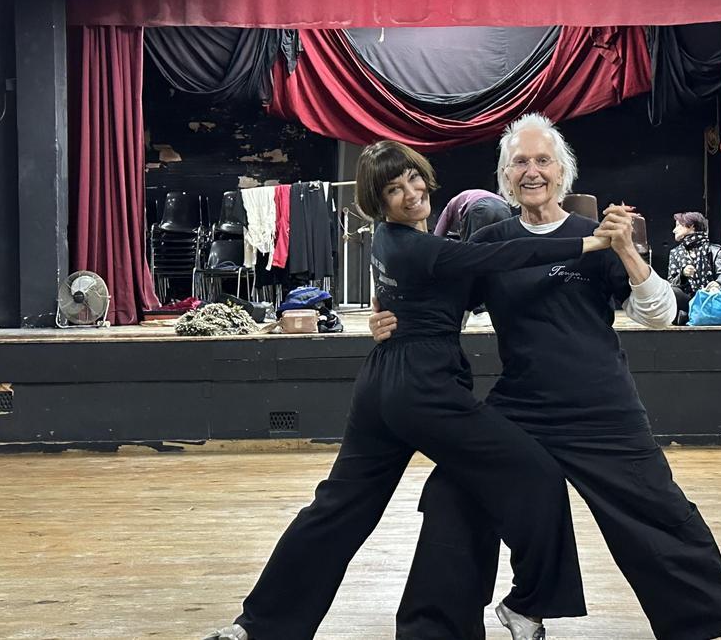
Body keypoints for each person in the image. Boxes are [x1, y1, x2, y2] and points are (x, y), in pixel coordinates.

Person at [370, 114, 721, 640]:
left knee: (659, 512)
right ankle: (436, 629)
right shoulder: (491, 244)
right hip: (521, 406)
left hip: (600, 406)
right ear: (506, 175)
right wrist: (388, 320)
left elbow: (658, 314)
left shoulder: (596, 235)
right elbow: (437, 301)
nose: (532, 171)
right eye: (521, 161)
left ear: (562, 172)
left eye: (543, 160)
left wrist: (627, 249)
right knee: (454, 493)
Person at [203, 140, 616, 640]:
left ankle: (258, 626)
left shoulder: (392, 241)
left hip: (382, 385)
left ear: (424, 176)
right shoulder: (422, 247)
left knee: (338, 509)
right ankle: (528, 603)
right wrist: (592, 242)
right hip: (424, 388)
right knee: (537, 474)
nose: (409, 193)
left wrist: (385, 315)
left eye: (412, 180)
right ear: (379, 203)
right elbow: (509, 254)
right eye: (393, 190)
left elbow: (434, 283)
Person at [667, 211, 721, 325]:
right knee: (673, 292)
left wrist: (717, 284)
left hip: (714, 298)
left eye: (678, 225)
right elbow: (671, 283)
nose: (674, 230)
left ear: (692, 226)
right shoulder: (675, 253)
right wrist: (683, 275)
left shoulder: (714, 250)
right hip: (690, 300)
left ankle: (690, 317)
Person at [432, 188, 514, 240]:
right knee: (502, 244)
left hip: (480, 206)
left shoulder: (450, 206)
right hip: (503, 207)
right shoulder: (464, 197)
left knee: (471, 247)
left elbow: (438, 234)